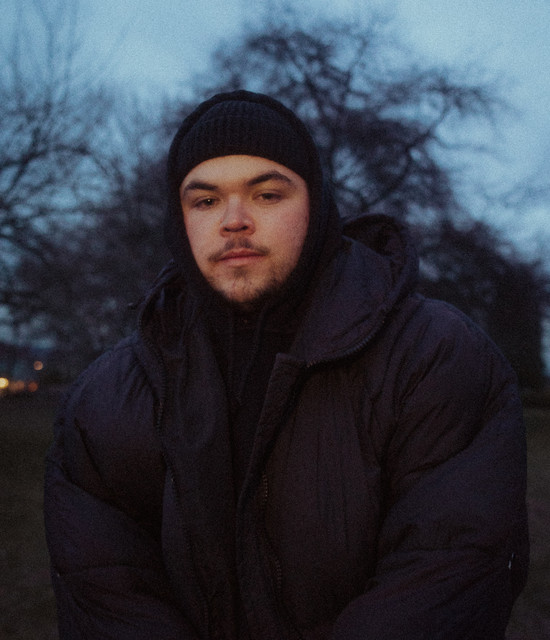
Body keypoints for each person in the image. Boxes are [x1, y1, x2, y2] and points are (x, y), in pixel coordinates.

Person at [44, 90, 529, 640]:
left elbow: (448, 572)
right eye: (205, 201)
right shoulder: (106, 398)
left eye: (268, 194)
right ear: (179, 220)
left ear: (316, 206)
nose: (233, 220)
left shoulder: (434, 356)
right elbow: (105, 588)